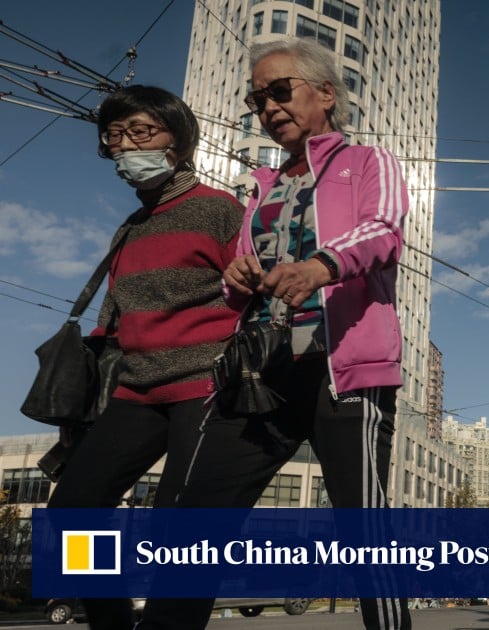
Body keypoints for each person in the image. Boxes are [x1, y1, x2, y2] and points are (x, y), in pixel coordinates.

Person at [137, 38, 410, 630]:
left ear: (326, 94)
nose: (268, 107)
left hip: (343, 370)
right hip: (259, 373)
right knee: (198, 518)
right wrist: (237, 278)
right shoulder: (258, 189)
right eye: (257, 99)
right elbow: (241, 284)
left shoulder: (368, 164)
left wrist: (321, 266)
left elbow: (384, 232)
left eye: (280, 90)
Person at [44, 85, 244, 629]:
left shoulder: (221, 211)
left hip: (204, 389)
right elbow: (112, 323)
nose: (126, 147)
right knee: (70, 516)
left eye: (141, 132)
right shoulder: (129, 228)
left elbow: (256, 299)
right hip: (134, 392)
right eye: (114, 137)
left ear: (177, 143)